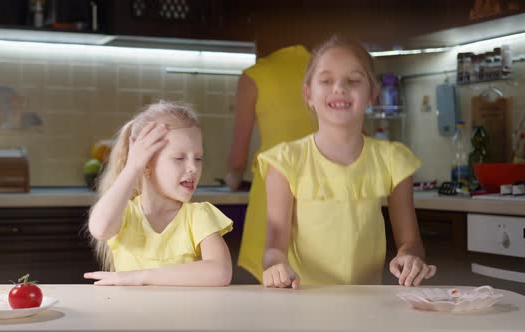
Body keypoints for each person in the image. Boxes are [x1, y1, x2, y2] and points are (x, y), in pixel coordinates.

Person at [259, 36, 437, 289]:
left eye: (353, 80)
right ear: (308, 94)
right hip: (303, 303)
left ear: (372, 94)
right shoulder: (285, 161)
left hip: (367, 303)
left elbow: (411, 242)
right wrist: (275, 267)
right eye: (326, 80)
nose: (339, 88)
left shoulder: (393, 160)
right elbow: (274, 247)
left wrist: (409, 258)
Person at [85, 101, 233, 286]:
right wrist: (133, 167)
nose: (193, 167)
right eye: (179, 158)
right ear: (146, 163)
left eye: (198, 158)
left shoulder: (198, 216)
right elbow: (100, 228)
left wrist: (138, 277)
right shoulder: (126, 214)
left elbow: (220, 273)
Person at [225, 44, 318, 282]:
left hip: (270, 193)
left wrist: (233, 178)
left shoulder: (256, 75)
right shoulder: (325, 68)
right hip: (322, 194)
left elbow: (238, 157)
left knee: (271, 290)